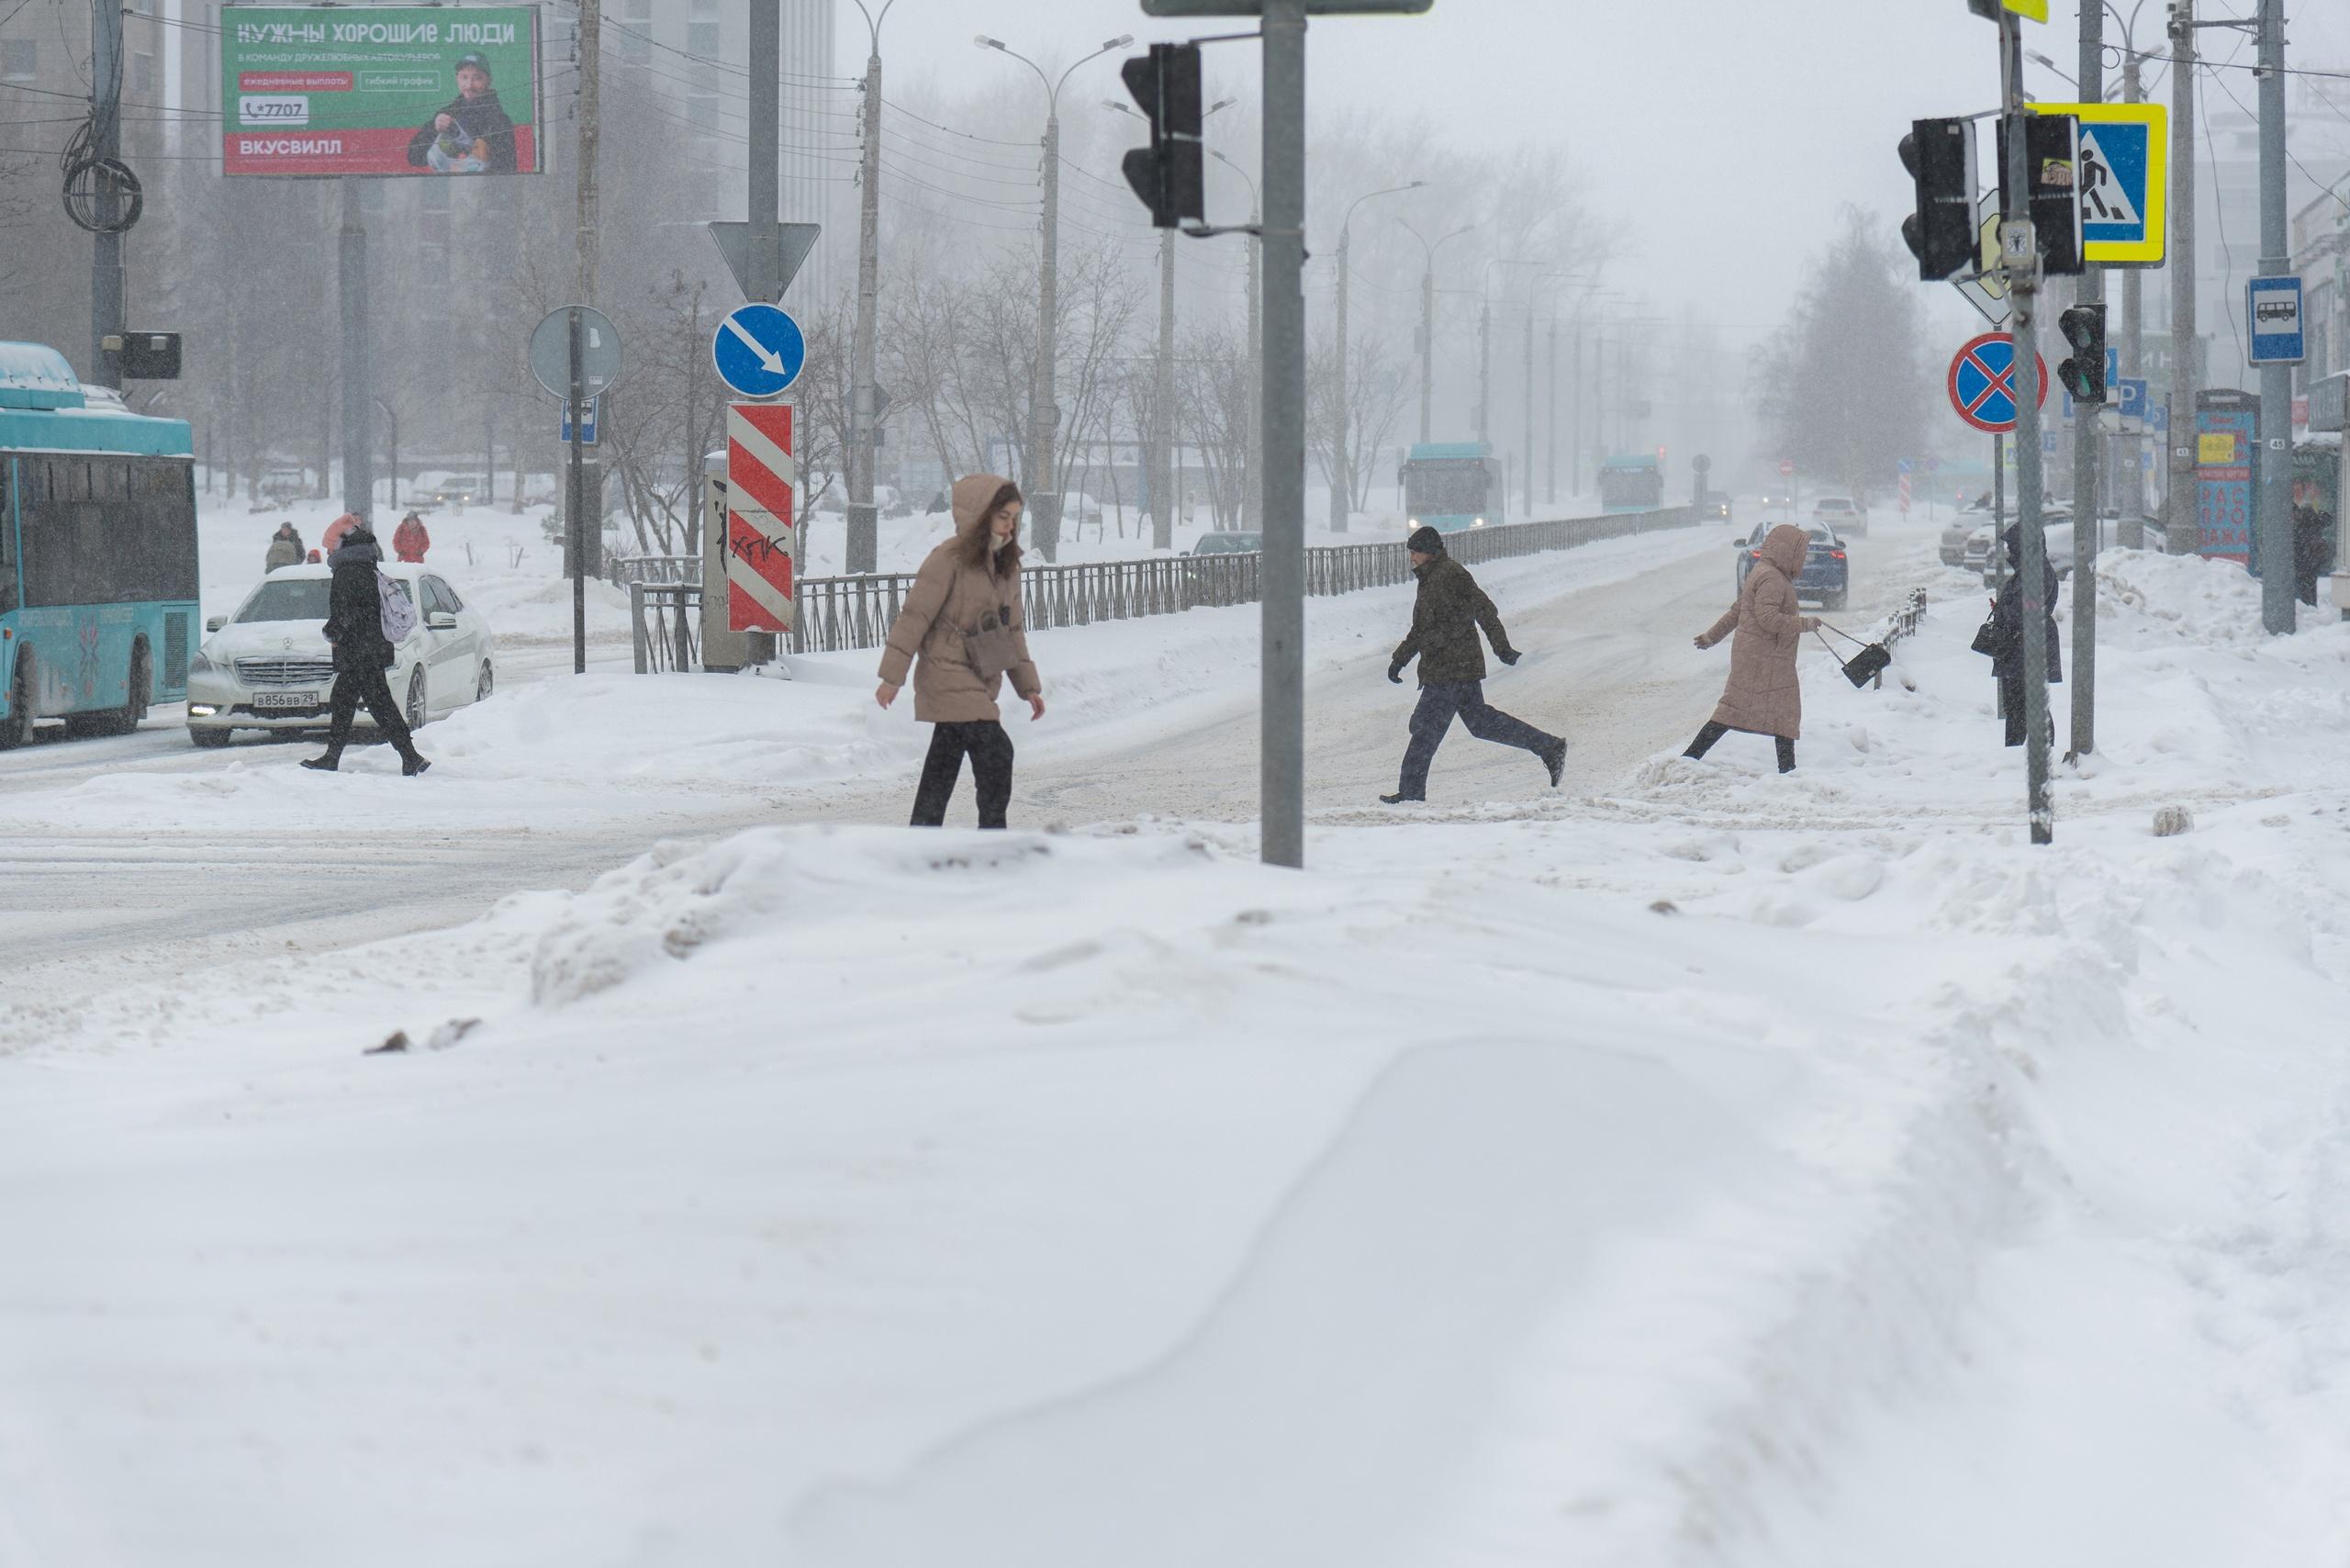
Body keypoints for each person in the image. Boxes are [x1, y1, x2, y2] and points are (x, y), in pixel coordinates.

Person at [876, 474, 1044, 828]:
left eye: (1014, 517)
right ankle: (992, 833)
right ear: (980, 515)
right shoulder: (948, 559)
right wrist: (892, 677)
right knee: (996, 752)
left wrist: (1028, 687)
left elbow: (1012, 631)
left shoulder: (1006, 564)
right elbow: (914, 618)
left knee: (945, 759)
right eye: (1002, 516)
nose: (1010, 525)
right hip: (945, 670)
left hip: (983, 672)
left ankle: (923, 831)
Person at [1379, 525, 1566, 804]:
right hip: (1451, 667)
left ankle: (1411, 794)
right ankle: (1549, 747)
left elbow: (1484, 609)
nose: (1411, 557)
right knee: (1480, 723)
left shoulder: (1452, 574)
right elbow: (1421, 629)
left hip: (1450, 668)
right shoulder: (1430, 578)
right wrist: (1400, 659)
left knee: (1425, 731)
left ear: (1428, 551)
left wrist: (1501, 648)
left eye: (1415, 551)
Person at [1685, 522, 1819, 774]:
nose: (1803, 557)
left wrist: (1711, 637)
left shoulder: (1764, 571)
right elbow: (1767, 619)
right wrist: (1804, 623)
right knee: (1746, 710)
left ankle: (1787, 770)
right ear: (1788, 551)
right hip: (1764, 658)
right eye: (1801, 551)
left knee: (1765, 711)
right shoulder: (1773, 579)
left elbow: (1738, 610)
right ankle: (1787, 770)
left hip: (1760, 656)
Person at [302, 520, 430, 778]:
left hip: (358, 652)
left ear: (341, 545)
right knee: (356, 702)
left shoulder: (348, 571)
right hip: (368, 649)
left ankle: (409, 757)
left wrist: (333, 630)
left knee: (371, 704)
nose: (327, 553)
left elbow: (352, 610)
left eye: (330, 547)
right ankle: (406, 757)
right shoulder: (365, 567)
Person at [1978, 524, 2062, 748]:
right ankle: (2020, 750)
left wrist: (2003, 611)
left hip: (2027, 653)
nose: (2009, 553)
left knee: (2027, 706)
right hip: (2020, 652)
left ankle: (2033, 752)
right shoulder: (2029, 571)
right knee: (2021, 706)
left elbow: (2026, 611)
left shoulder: (2037, 573)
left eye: (2013, 547)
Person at [404, 52, 518, 175]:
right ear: (457, 79)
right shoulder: (446, 114)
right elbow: (414, 158)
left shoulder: (500, 120)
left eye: (477, 78)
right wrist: (434, 129)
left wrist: (485, 158)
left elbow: (508, 170)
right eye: (464, 77)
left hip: (484, 191)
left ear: (488, 81)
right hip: (449, 190)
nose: (469, 85)